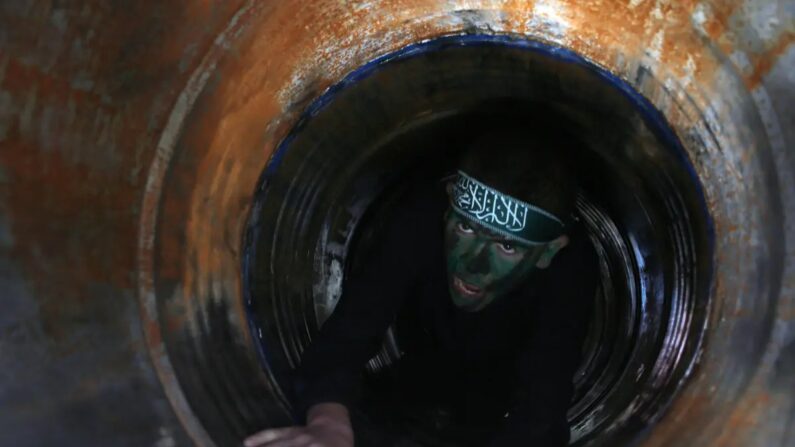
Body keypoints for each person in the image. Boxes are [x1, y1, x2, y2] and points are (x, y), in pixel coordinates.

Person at [245, 120, 599, 447]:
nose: (472, 264)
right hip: (417, 366)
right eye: (465, 228)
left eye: (506, 246)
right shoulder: (422, 216)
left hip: (502, 387)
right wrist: (328, 426)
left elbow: (545, 391)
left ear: (547, 253)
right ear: (448, 208)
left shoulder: (571, 266)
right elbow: (352, 328)